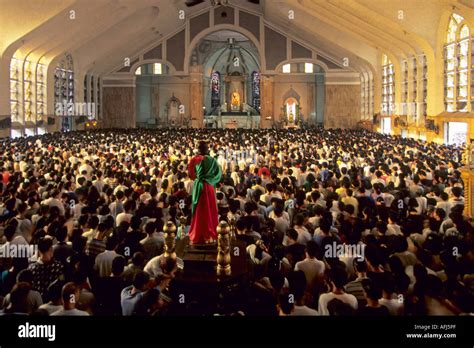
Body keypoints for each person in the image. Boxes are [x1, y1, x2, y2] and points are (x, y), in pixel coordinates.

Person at [187, 141, 222, 244]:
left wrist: (199, 177)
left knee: (199, 210)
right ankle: (210, 234)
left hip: (199, 186)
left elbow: (191, 175)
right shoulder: (213, 160)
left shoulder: (194, 160)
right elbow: (218, 174)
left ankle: (198, 234)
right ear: (207, 149)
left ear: (198, 150)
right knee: (210, 209)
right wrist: (211, 180)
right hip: (210, 187)